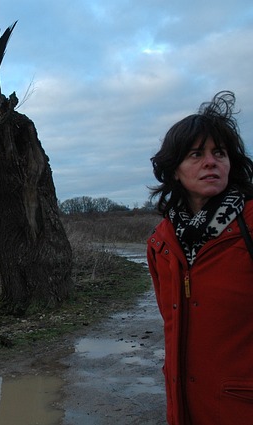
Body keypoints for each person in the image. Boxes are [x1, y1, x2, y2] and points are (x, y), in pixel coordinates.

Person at [147, 90, 253, 424]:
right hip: (185, 408)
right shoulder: (161, 243)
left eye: (219, 153)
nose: (211, 161)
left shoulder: (250, 225)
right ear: (174, 170)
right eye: (196, 154)